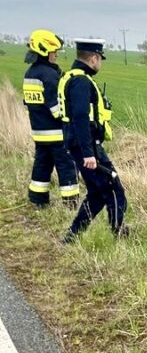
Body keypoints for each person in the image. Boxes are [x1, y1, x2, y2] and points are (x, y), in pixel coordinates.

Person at [59, 38, 128, 243]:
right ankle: (119, 235)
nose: (101, 64)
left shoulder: (70, 76)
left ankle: (71, 237)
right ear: (94, 58)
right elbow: (80, 117)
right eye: (100, 59)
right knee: (115, 189)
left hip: (79, 144)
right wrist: (89, 153)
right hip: (87, 146)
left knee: (97, 194)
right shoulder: (81, 81)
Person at [22, 29, 79, 207]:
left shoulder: (30, 74)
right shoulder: (49, 75)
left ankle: (38, 200)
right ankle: (71, 204)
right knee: (67, 166)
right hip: (56, 133)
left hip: (39, 132)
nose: (56, 56)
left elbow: (29, 103)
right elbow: (57, 109)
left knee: (42, 166)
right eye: (54, 52)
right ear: (45, 51)